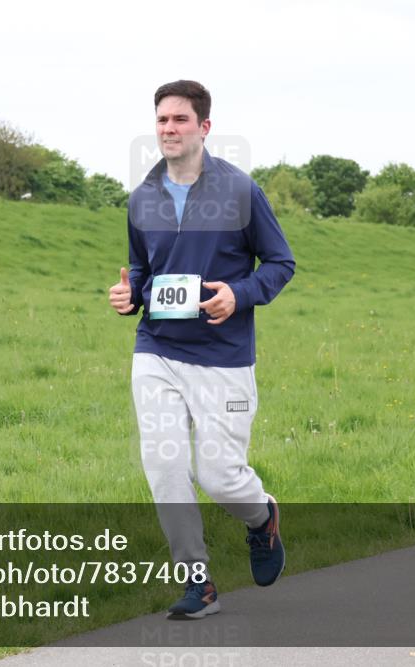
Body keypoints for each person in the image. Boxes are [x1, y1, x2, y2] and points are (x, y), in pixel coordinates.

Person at [108, 80, 295, 618]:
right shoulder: (142, 197)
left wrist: (239, 294)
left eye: (180, 120)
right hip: (158, 349)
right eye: (162, 120)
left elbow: (280, 263)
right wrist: (129, 296)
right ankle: (198, 583)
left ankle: (262, 518)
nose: (169, 129)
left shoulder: (240, 191)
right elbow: (142, 273)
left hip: (223, 356)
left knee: (219, 478)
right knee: (164, 467)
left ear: (204, 128)